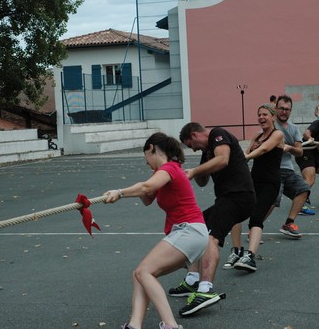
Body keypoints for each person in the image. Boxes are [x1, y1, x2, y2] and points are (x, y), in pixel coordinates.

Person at [103, 132, 208, 329]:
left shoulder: (170, 168)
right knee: (140, 274)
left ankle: (171, 325)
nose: (147, 163)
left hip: (189, 230)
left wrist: (121, 192)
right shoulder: (164, 172)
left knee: (144, 271)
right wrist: (143, 188)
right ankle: (135, 325)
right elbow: (147, 197)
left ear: (152, 148)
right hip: (188, 232)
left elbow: (146, 188)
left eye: (147, 159)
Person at [168, 122, 256, 316]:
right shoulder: (207, 152)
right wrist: (189, 170)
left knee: (209, 237)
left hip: (239, 196)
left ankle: (206, 289)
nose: (193, 149)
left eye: (191, 145)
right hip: (226, 199)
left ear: (195, 135)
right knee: (197, 228)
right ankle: (192, 280)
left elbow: (223, 160)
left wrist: (195, 171)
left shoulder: (218, 134)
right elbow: (201, 181)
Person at [224, 104, 284, 272]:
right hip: (252, 181)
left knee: (256, 218)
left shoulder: (277, 134)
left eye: (265, 114)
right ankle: (236, 251)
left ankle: (250, 257)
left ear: (273, 117)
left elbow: (265, 148)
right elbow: (245, 155)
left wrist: (249, 155)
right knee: (236, 213)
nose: (261, 117)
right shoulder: (257, 136)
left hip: (270, 183)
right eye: (259, 115)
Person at [269, 94, 312, 238]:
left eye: (287, 109)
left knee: (304, 189)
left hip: (288, 170)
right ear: (275, 109)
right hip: (272, 170)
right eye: (281, 108)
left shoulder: (294, 129)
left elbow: (299, 152)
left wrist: (289, 148)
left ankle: (288, 223)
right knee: (273, 200)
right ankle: (255, 227)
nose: (284, 112)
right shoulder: (271, 124)